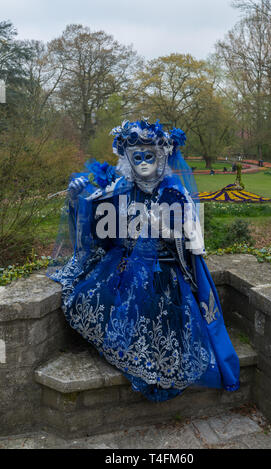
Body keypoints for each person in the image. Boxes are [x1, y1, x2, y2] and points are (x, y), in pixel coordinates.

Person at [48, 119, 240, 402]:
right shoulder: (119, 189)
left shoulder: (175, 192)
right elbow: (96, 233)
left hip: (166, 273)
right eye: (137, 157)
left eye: (149, 156)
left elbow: (192, 242)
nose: (143, 163)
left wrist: (164, 229)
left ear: (161, 156)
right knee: (92, 299)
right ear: (127, 158)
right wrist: (78, 199)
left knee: (161, 315)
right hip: (122, 269)